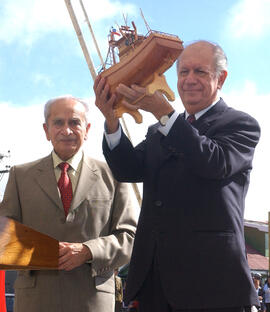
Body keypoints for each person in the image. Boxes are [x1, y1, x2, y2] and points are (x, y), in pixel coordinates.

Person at [94, 40, 261, 312]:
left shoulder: (240, 125)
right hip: (155, 282)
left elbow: (213, 161)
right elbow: (127, 169)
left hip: (211, 284)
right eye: (183, 72)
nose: (189, 80)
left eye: (200, 72)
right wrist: (112, 121)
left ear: (222, 78)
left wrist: (165, 114)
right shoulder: (160, 130)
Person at [0, 95, 137, 312]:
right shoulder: (20, 176)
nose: (67, 130)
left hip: (92, 301)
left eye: (74, 122)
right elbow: (4, 236)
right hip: (35, 301)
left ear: (87, 128)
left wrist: (87, 251)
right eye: (58, 123)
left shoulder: (114, 175)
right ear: (46, 130)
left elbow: (130, 238)